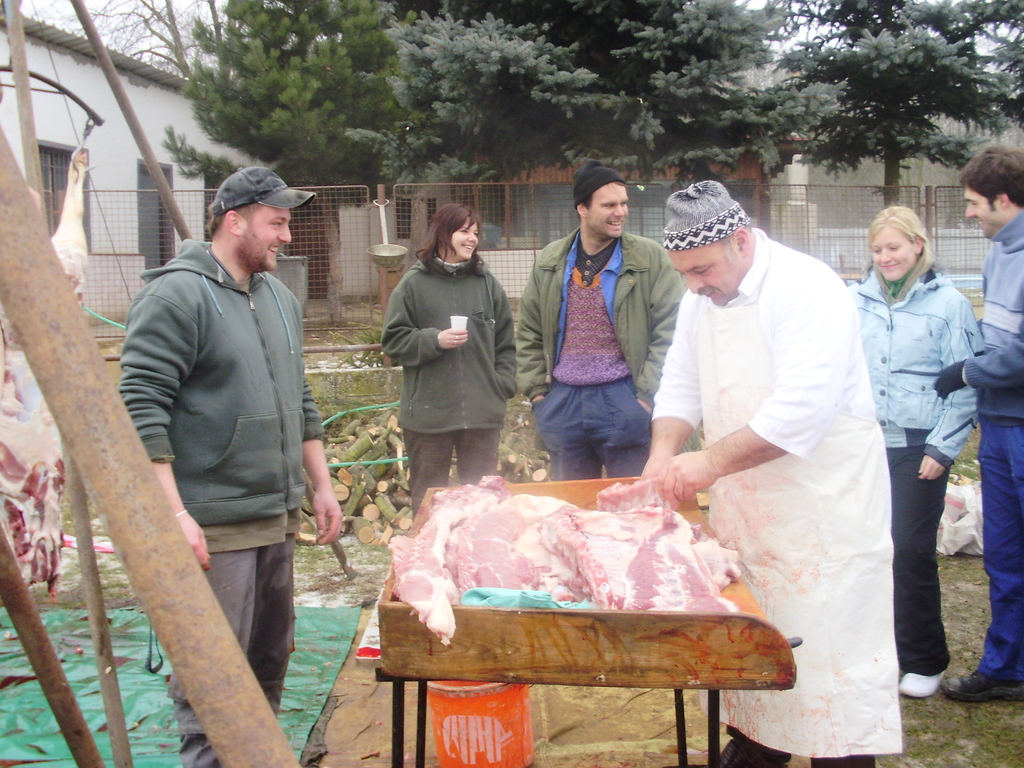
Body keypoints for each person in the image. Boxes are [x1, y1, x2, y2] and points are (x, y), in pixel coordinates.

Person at [644, 181, 901, 766]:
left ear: (740, 242)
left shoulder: (807, 287)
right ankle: (758, 749)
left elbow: (800, 413)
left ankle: (840, 755)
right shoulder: (699, 300)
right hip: (750, 509)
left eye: (702, 270)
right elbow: (679, 383)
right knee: (753, 650)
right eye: (684, 274)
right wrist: (663, 452)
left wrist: (707, 463)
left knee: (831, 673)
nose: (693, 285)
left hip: (823, 513)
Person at [118, 167, 343, 768]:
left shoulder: (280, 299)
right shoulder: (176, 297)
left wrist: (321, 486)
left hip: (275, 517)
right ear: (235, 221)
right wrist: (173, 514)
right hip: (213, 527)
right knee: (213, 686)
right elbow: (140, 405)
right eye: (277, 223)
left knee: (267, 669)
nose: (287, 237)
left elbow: (299, 398)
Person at [850, 206, 982, 699]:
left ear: (917, 245)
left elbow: (967, 381)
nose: (886, 257)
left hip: (918, 448)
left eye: (895, 247)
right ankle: (874, 650)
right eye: (878, 250)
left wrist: (942, 447)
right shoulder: (855, 300)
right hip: (864, 445)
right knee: (864, 548)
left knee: (908, 549)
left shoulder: (949, 304)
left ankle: (924, 659)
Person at [516, 159, 685, 480]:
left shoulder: (649, 258)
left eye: (624, 203)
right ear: (582, 208)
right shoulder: (550, 260)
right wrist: (539, 395)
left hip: (624, 399)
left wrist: (645, 398)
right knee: (573, 504)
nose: (620, 212)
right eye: (609, 205)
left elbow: (672, 331)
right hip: (563, 403)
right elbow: (529, 331)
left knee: (636, 500)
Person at [934, 144, 1024, 702]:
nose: (968, 213)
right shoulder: (998, 255)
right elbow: (999, 343)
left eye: (972, 203)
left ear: (1003, 199)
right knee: (1006, 557)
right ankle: (1007, 669)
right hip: (997, 426)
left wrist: (967, 372)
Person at [381, 203, 516, 512]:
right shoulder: (413, 284)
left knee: (483, 504)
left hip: (482, 415)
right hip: (429, 417)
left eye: (475, 233)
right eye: (464, 231)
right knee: (429, 502)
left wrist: (501, 386)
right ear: (443, 233)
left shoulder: (487, 284)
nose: (472, 239)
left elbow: (506, 344)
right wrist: (434, 340)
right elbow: (393, 340)